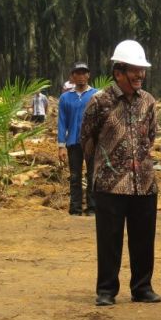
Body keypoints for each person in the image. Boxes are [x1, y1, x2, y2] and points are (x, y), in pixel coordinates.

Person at [79, 40, 161, 307]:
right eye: (134, 71)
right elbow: (87, 140)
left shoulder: (148, 101)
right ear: (118, 72)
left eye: (142, 71)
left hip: (144, 183)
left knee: (143, 238)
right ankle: (106, 290)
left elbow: (151, 135)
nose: (140, 76)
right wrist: (104, 167)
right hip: (110, 184)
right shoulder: (99, 101)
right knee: (109, 240)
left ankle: (142, 287)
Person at [57, 62, 97, 216]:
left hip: (92, 143)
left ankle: (92, 208)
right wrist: (61, 145)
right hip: (73, 142)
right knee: (75, 176)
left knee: (92, 175)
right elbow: (62, 122)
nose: (81, 77)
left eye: (84, 73)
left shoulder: (96, 95)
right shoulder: (65, 98)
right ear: (72, 76)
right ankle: (75, 208)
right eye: (77, 74)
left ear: (88, 75)